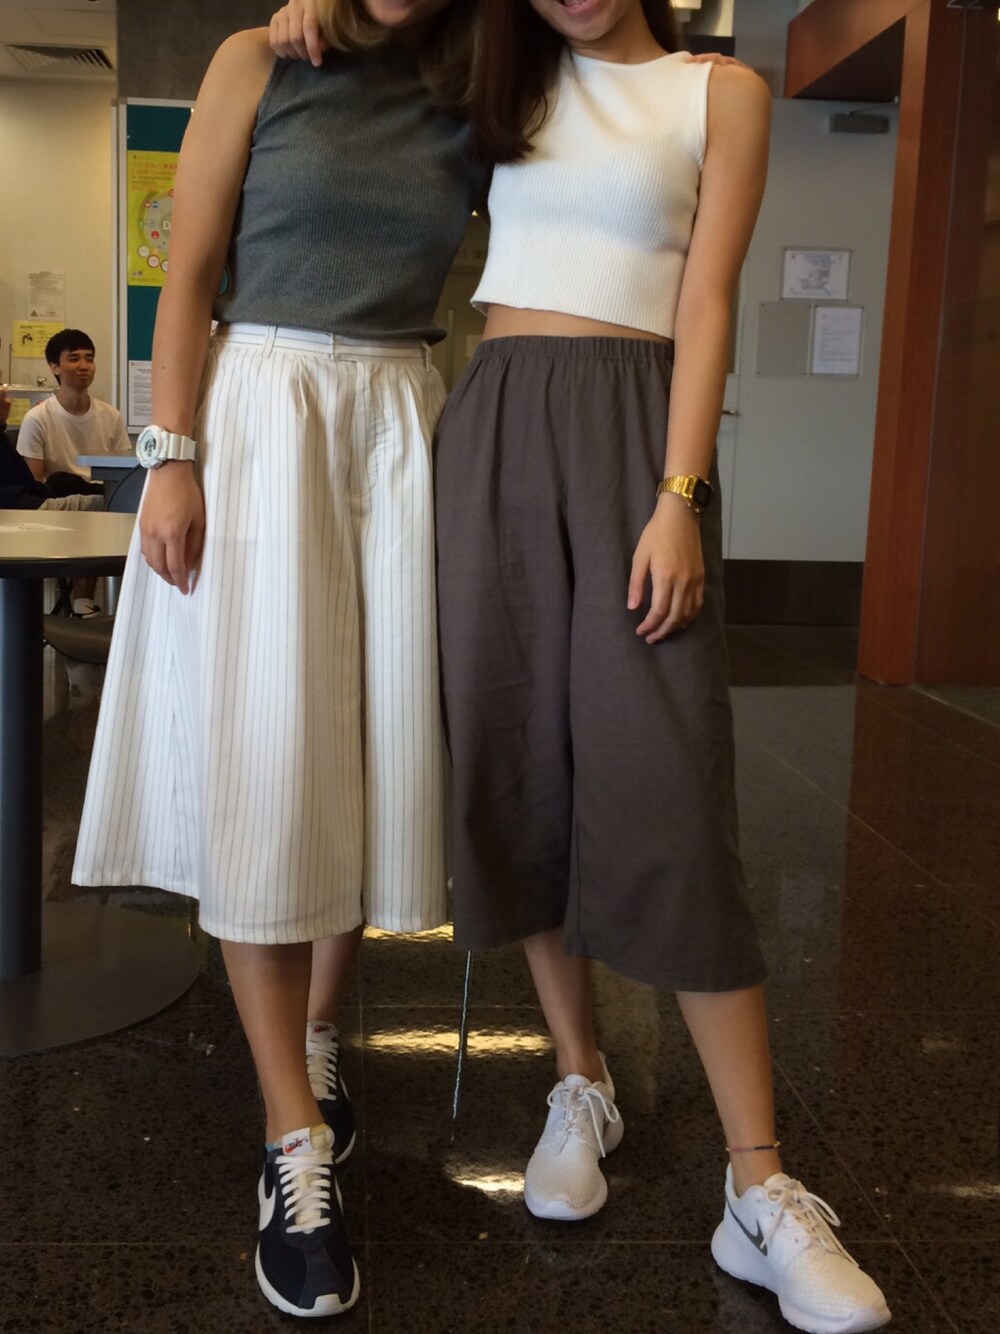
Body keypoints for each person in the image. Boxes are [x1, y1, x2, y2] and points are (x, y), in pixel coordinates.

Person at [430, 3, 890, 1333]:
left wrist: (679, 492)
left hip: (639, 430)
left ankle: (758, 1183)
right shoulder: (498, 75)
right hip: (497, 424)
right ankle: (581, 1078)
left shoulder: (717, 91)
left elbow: (706, 295)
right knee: (514, 759)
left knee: (671, 787)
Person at [72, 0, 483, 1318]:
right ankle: (289, 1133)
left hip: (403, 415)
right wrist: (170, 456)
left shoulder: (475, 79)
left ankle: (311, 1038)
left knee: (359, 753)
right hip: (264, 409)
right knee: (267, 756)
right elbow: (189, 275)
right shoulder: (259, 57)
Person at [17, 330, 130, 612]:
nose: (84, 366)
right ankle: (80, 602)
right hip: (59, 503)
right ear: (54, 367)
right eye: (74, 358)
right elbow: (33, 483)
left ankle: (85, 603)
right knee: (67, 486)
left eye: (89, 359)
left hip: (99, 502)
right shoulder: (37, 418)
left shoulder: (111, 416)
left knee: (108, 501)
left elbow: (122, 472)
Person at [1, 390, 104, 512]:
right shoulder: (36, 417)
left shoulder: (109, 414)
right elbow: (24, 504)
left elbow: (31, 486)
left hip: (34, 498)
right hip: (27, 510)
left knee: (61, 481)